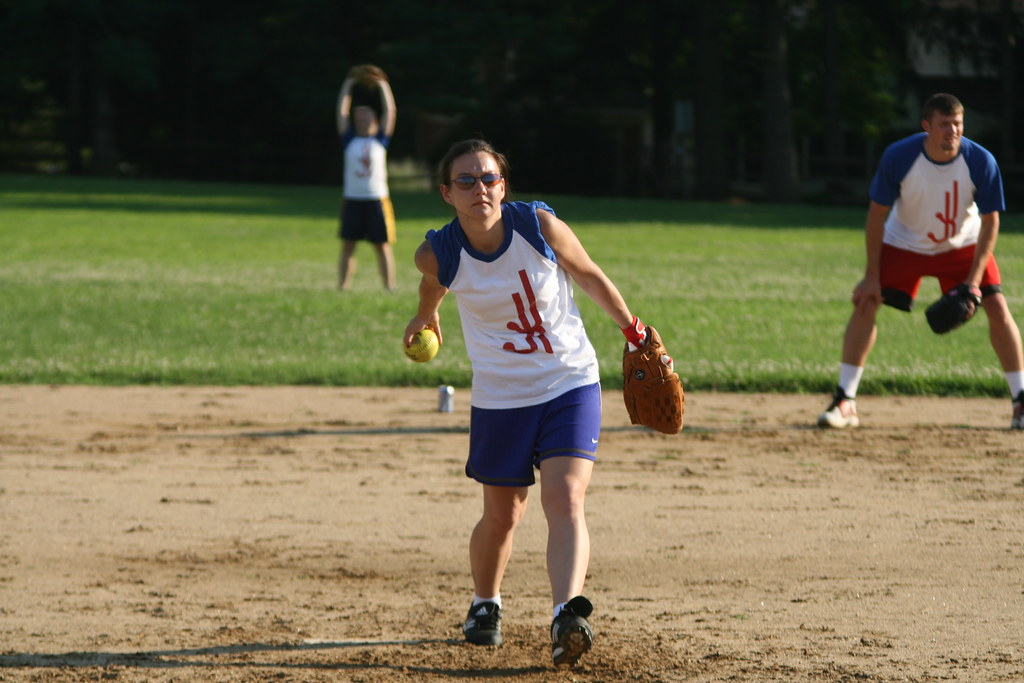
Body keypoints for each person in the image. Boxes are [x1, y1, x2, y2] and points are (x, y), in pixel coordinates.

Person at [402, 139, 652, 668]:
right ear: (447, 193)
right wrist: (427, 316)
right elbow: (433, 281)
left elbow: (587, 272)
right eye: (466, 181)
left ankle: (567, 615)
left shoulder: (537, 227)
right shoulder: (439, 250)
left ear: (504, 185)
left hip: (568, 381)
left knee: (564, 498)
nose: (480, 189)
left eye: (489, 178)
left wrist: (633, 330)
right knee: (503, 514)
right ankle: (485, 604)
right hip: (501, 396)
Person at [818, 93, 1024, 429]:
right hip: (904, 243)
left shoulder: (981, 160)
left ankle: (1021, 401)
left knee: (997, 306)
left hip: (962, 245)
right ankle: (845, 401)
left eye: (957, 124)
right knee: (866, 301)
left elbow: (990, 223)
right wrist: (871, 275)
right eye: (944, 124)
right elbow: (876, 218)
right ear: (926, 126)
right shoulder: (900, 156)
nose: (952, 131)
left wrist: (973, 283)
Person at [336, 64, 397, 291]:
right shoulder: (349, 139)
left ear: (374, 120)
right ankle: (343, 287)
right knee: (348, 245)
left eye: (366, 117)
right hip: (352, 198)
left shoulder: (380, 139)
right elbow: (341, 112)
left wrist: (382, 83)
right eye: (358, 117)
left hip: (376, 199)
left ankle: (389, 286)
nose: (361, 120)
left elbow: (390, 111)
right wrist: (349, 83)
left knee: (382, 246)